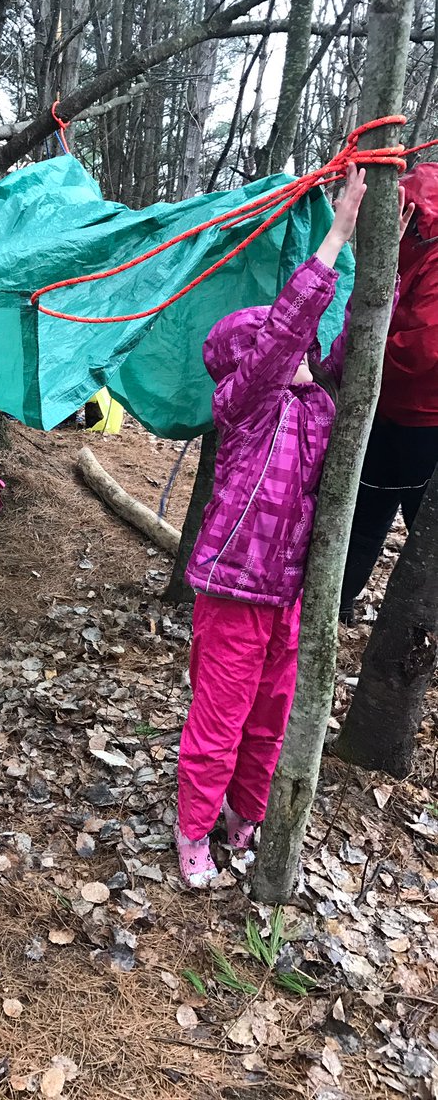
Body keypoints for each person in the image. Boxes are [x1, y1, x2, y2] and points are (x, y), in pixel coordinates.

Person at [176, 165, 412, 888]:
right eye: (280, 345)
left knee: (271, 720)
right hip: (233, 591)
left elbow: (349, 351)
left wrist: (387, 273)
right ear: (253, 360)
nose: (301, 352)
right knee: (221, 718)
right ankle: (192, 831)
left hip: (288, 598)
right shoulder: (246, 404)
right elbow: (287, 333)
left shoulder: (317, 404)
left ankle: (244, 820)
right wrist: (337, 233)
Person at [339, 161, 438, 625]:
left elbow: (421, 348)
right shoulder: (404, 232)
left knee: (414, 525)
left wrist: (354, 361)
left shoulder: (431, 250)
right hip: (388, 407)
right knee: (366, 509)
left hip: (421, 415)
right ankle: (338, 603)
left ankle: (416, 626)